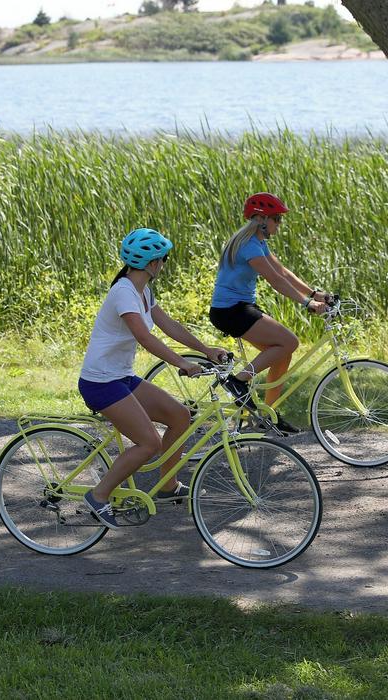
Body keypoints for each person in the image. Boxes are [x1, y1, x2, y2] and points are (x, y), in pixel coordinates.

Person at [79, 228, 228, 529]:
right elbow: (144, 337)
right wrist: (181, 363)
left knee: (179, 416)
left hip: (121, 377)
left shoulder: (143, 291)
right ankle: (98, 495)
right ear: (151, 263)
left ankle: (168, 486)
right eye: (164, 260)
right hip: (100, 383)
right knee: (149, 443)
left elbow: (169, 325)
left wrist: (206, 350)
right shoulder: (123, 292)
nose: (164, 265)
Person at [208, 193, 327, 434]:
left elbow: (282, 272)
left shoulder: (258, 242)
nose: (279, 224)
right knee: (289, 342)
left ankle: (267, 416)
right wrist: (307, 303)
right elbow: (275, 280)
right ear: (262, 219)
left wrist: (315, 293)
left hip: (240, 308)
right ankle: (237, 381)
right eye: (276, 219)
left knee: (282, 354)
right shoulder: (249, 245)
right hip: (230, 311)